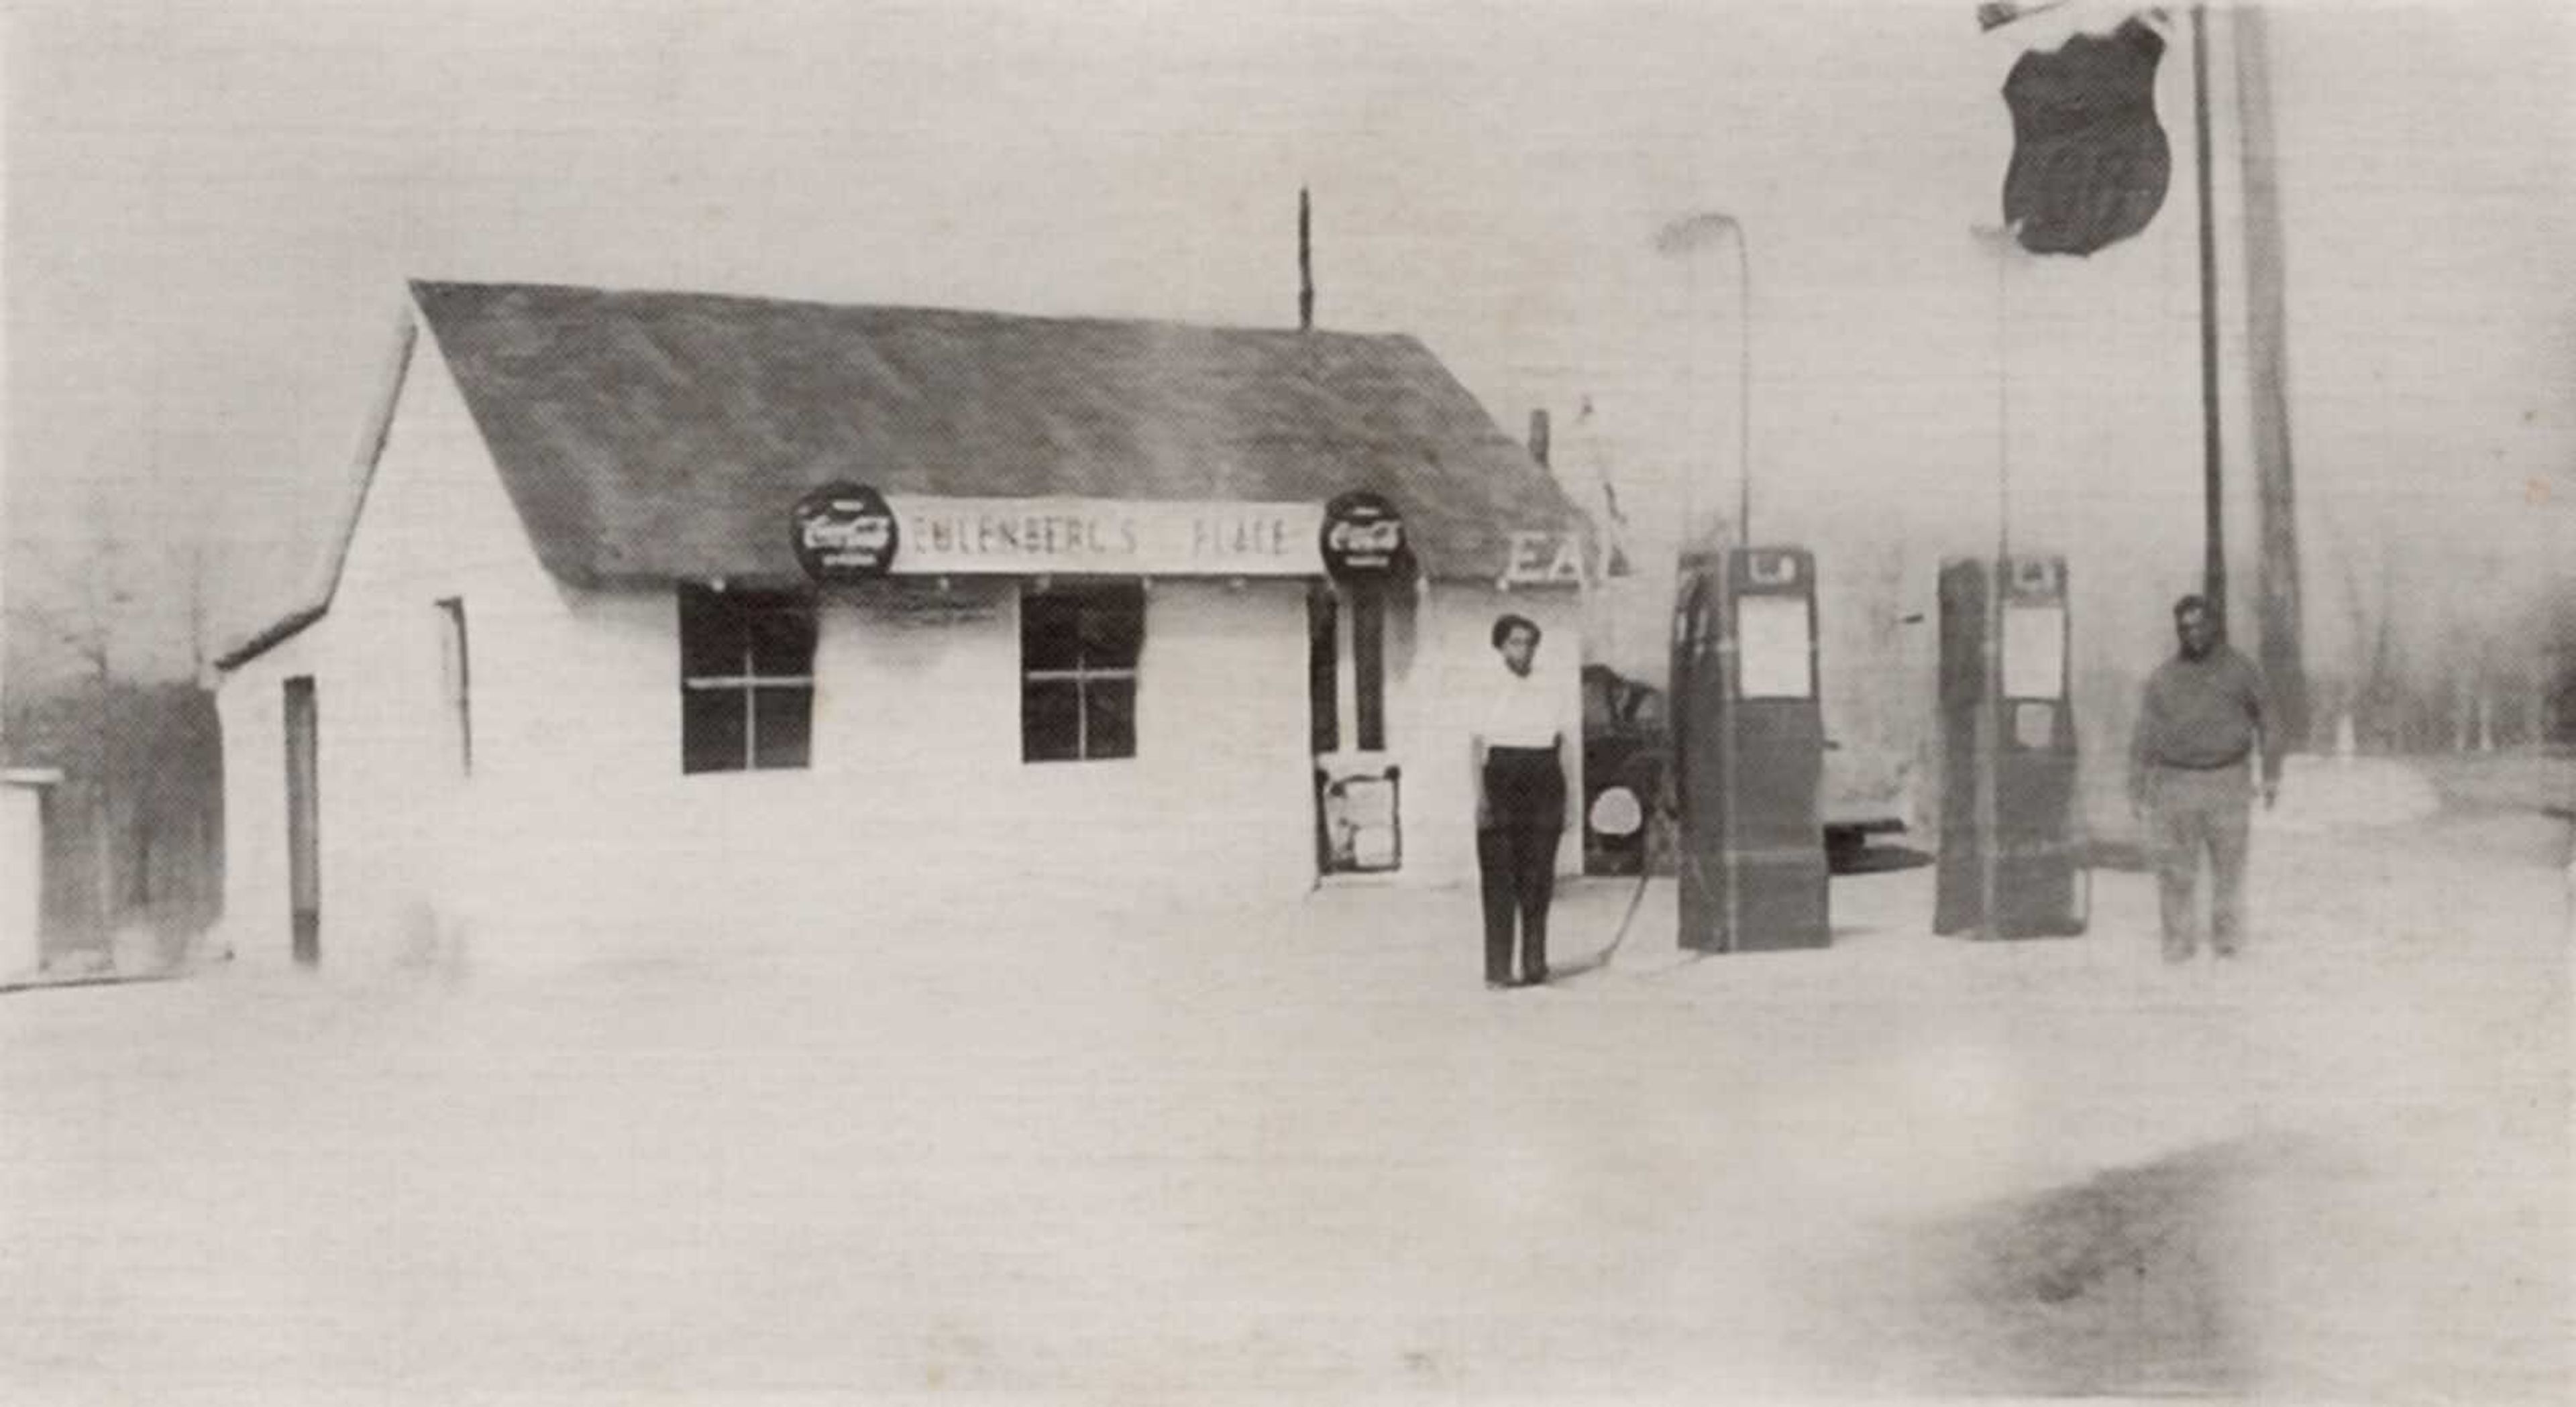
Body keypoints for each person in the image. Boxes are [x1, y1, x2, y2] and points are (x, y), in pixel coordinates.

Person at [2128, 594, 2279, 961]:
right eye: (2185, 628)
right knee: (2176, 872)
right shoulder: (2163, 678)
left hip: (2228, 780)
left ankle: (2228, 947)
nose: (2193, 634)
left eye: (2199, 625)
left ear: (2213, 626)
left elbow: (2270, 721)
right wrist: (2137, 785)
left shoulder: (2242, 670)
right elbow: (2145, 735)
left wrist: (2272, 773)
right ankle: (2178, 949)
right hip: (2175, 784)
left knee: (2229, 870)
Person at [1472, 614, 1572, 989]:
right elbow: (1476, 745)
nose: (1524, 650)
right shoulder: (1485, 685)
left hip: (1544, 777)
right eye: (1516, 642)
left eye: (1530, 642)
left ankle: (1535, 964)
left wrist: (1569, 802)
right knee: (1500, 879)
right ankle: (1498, 971)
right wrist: (1481, 798)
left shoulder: (1549, 686)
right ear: (1500, 646)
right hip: (1501, 777)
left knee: (1538, 878)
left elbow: (1563, 744)